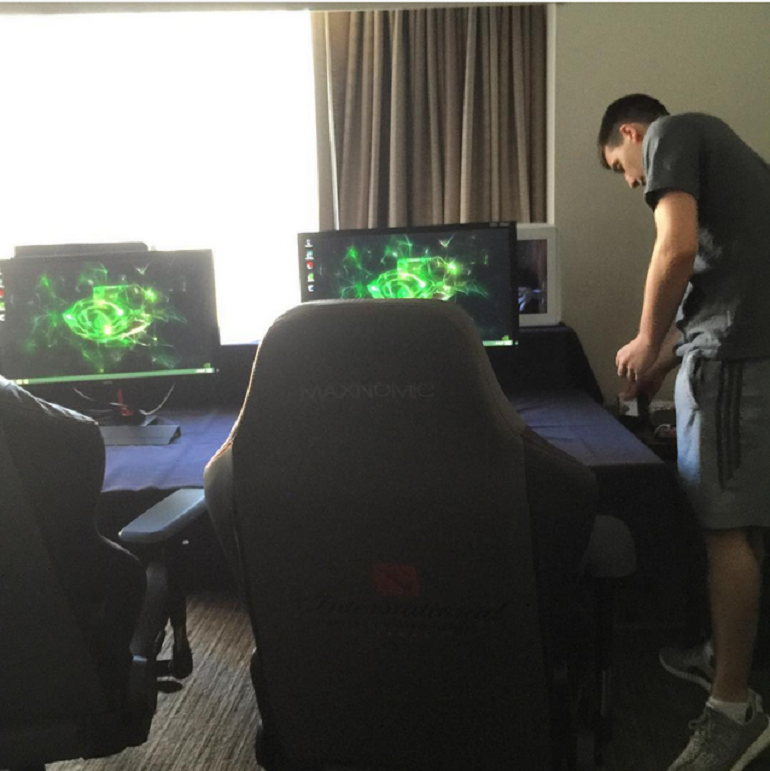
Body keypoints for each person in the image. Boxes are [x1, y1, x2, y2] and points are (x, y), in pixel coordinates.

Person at [598, 94, 770, 771]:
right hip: (737, 351)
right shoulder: (733, 156)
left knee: (725, 529)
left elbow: (676, 249)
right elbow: (719, 292)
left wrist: (645, 339)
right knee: (744, 526)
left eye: (620, 166)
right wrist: (661, 360)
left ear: (631, 133)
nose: (631, 182)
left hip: (733, 362)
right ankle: (723, 655)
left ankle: (734, 711)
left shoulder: (670, 133)